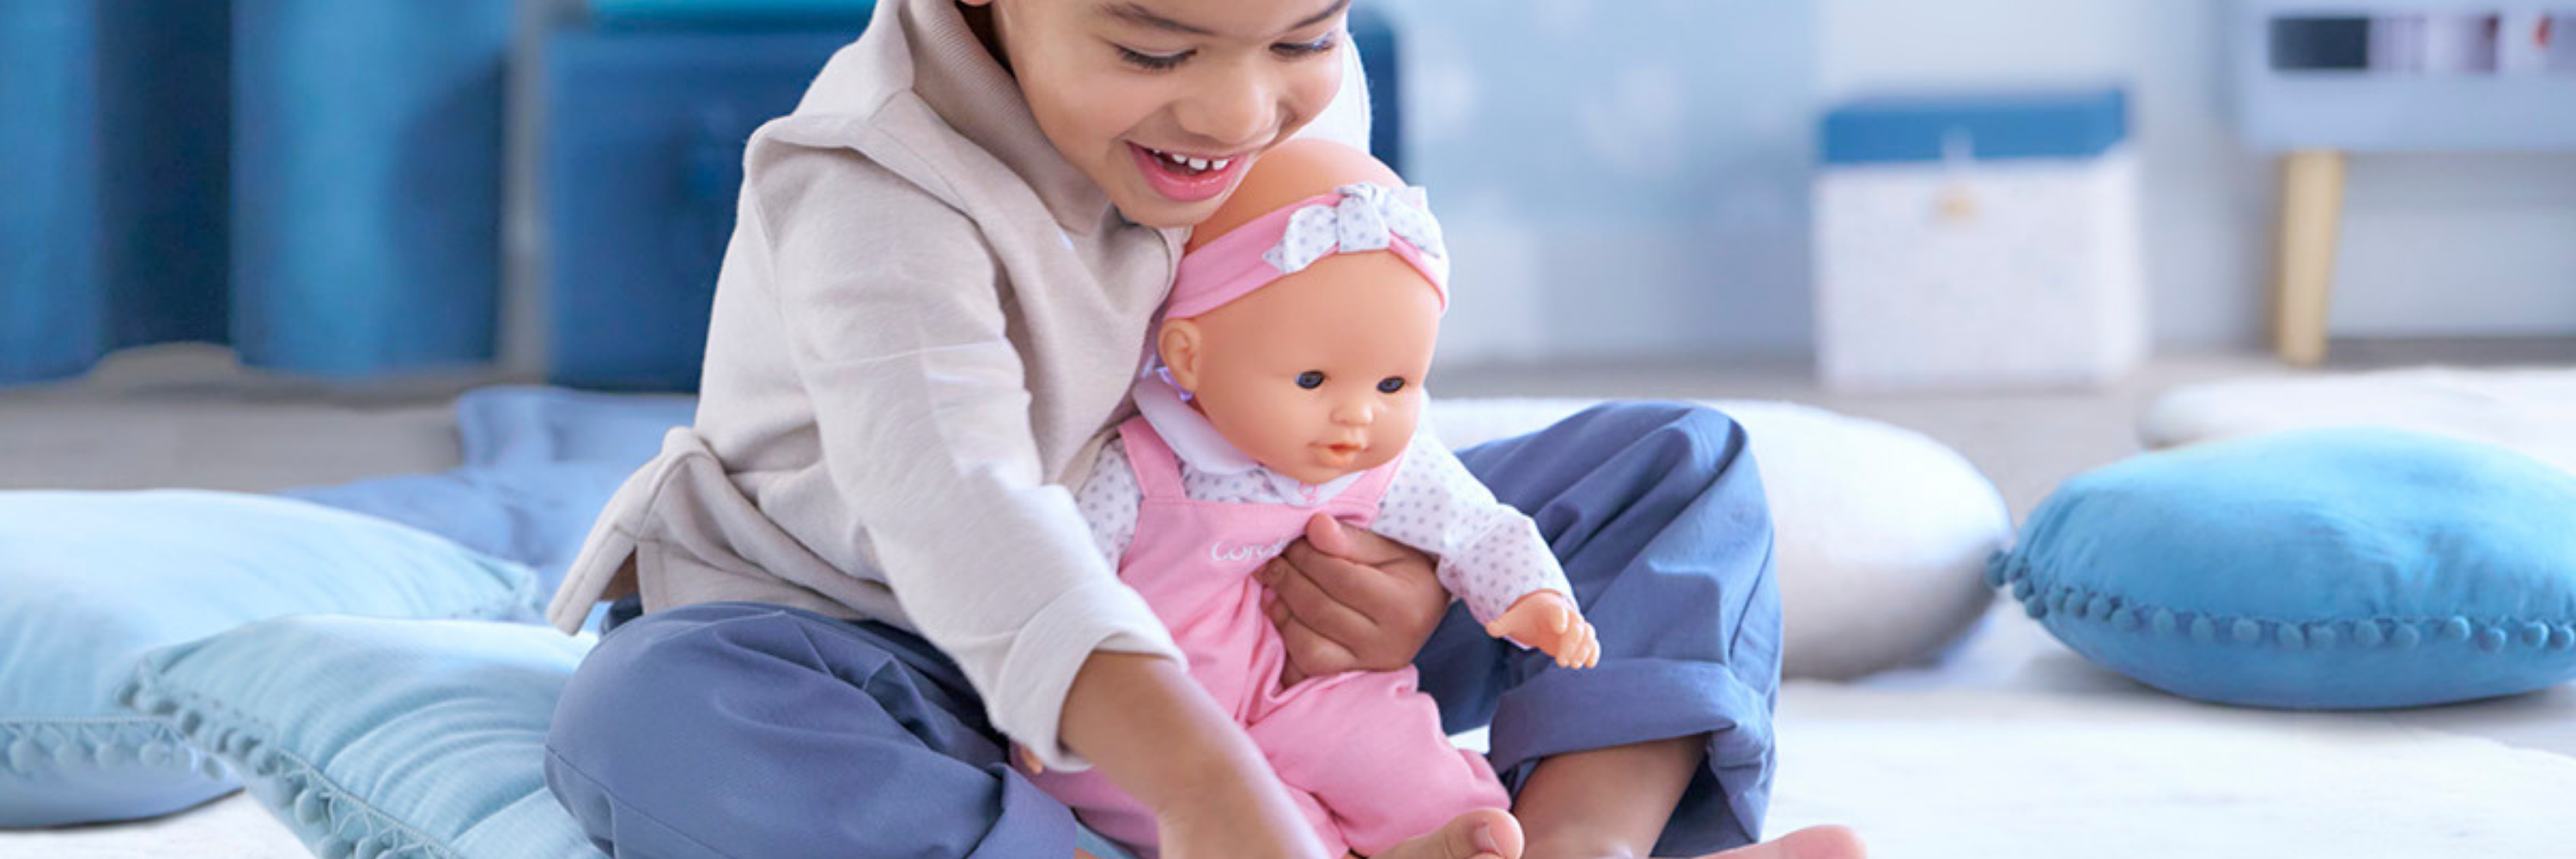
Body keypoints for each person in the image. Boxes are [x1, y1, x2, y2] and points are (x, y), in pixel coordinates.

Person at [538, 2, 1867, 858]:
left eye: (1306, 35)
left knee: (1677, 465)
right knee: (651, 713)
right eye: (1155, 50)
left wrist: (1395, 563)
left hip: (1256, 594)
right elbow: (962, 512)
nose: (1240, 114)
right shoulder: (875, 187)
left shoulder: (1275, 91)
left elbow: (1343, 361)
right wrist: (1207, 794)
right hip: (908, 648)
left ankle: (1568, 850)